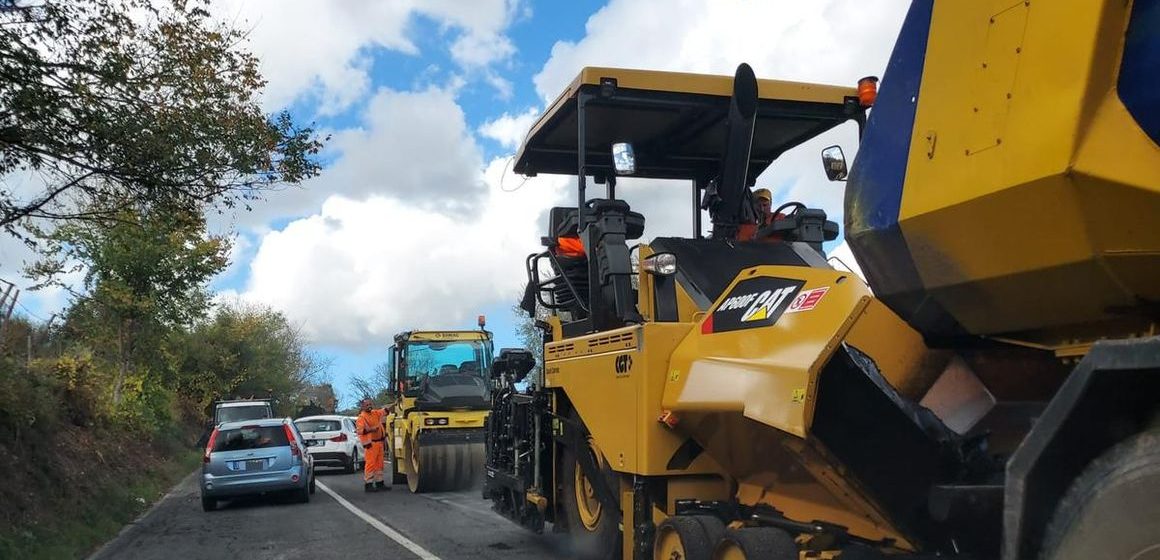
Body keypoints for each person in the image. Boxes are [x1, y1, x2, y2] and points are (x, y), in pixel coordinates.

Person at [355, 397, 391, 492]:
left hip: (379, 442)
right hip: (370, 444)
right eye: (367, 405)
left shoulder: (375, 413)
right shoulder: (361, 418)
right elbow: (360, 431)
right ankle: (368, 484)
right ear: (362, 406)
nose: (369, 406)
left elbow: (384, 411)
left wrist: (393, 406)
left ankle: (380, 483)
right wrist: (372, 429)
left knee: (379, 464)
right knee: (370, 464)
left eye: (370, 404)